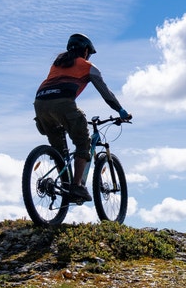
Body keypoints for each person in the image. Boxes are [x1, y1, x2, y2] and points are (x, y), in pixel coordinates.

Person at [34, 33, 131, 202]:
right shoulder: (87, 66)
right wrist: (120, 110)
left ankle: (63, 185)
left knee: (60, 150)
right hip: (62, 104)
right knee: (83, 142)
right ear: (86, 50)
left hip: (40, 104)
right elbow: (105, 92)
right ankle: (77, 186)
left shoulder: (57, 64)